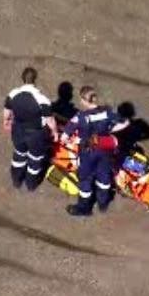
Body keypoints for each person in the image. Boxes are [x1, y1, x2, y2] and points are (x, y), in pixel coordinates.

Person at [60, 86, 130, 216]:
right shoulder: (107, 112)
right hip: (105, 150)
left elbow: (63, 137)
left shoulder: (79, 117)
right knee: (104, 176)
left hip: (88, 152)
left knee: (85, 179)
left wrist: (73, 141)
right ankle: (103, 204)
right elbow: (125, 122)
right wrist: (109, 131)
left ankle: (84, 208)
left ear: (83, 100)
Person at [3, 67, 58, 191]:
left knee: (19, 154)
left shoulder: (13, 94)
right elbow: (50, 120)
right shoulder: (43, 100)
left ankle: (16, 181)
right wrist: (55, 132)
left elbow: (7, 112)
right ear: (35, 80)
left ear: (22, 78)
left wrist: (6, 122)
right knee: (35, 159)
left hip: (18, 130)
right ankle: (31, 184)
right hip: (36, 135)